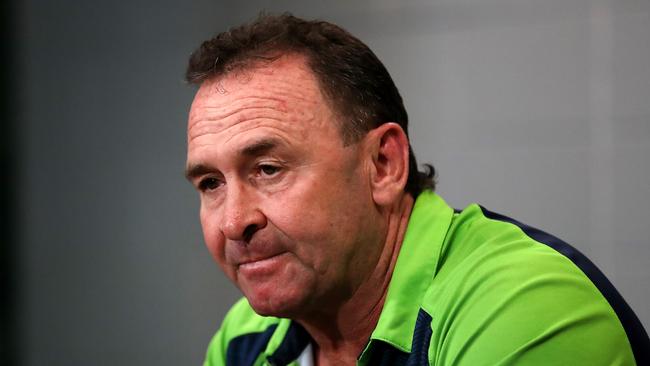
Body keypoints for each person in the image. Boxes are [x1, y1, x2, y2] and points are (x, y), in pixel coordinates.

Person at [184, 13, 648, 366]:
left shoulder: (526, 307)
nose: (233, 221)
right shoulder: (245, 337)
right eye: (210, 183)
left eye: (267, 169)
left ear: (383, 165)